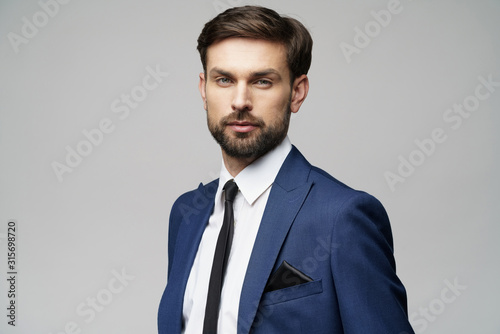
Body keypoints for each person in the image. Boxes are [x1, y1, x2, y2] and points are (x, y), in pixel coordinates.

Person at [158, 5, 414, 334]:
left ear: (297, 92)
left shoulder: (342, 217)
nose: (239, 101)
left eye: (262, 81)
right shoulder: (186, 214)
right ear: (203, 89)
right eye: (224, 80)